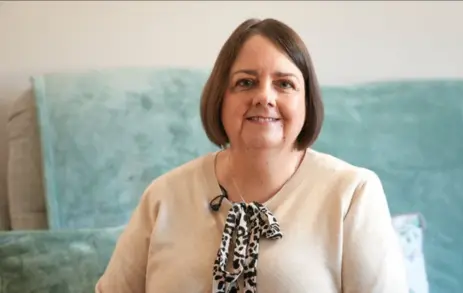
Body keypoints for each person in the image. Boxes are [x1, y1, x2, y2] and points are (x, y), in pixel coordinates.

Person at [95, 18, 409, 293]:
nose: (264, 96)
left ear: (307, 102)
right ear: (220, 98)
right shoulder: (163, 196)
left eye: (284, 84)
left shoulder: (353, 194)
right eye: (246, 82)